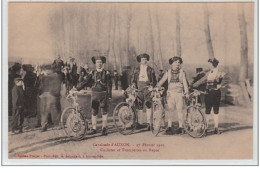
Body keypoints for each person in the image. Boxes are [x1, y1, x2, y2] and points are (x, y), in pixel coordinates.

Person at [75, 56, 112, 135]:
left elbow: (109, 85)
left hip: (104, 94)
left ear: (103, 64)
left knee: (104, 112)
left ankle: (104, 128)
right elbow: (85, 82)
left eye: (100, 62)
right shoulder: (92, 73)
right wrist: (77, 88)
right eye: (97, 62)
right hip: (94, 94)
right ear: (95, 64)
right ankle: (94, 128)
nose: (99, 64)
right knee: (94, 111)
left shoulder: (107, 73)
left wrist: (109, 96)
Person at [193, 58, 226, 134]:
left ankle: (216, 128)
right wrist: (192, 86)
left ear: (213, 64)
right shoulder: (208, 73)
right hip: (208, 93)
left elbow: (228, 79)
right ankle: (206, 128)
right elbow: (201, 80)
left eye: (210, 63)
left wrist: (220, 85)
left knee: (216, 110)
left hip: (216, 93)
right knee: (207, 110)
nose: (209, 65)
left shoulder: (220, 73)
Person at [157, 56, 189, 134]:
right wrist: (157, 87)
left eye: (179, 62)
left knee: (179, 110)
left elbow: (184, 83)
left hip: (179, 94)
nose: (177, 64)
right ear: (171, 63)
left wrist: (187, 92)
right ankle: (169, 126)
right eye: (175, 62)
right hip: (170, 94)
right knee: (170, 110)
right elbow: (162, 81)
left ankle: (181, 127)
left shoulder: (182, 72)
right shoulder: (168, 72)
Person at [131, 53, 157, 130]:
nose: (144, 61)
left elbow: (154, 80)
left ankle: (149, 123)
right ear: (140, 61)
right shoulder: (136, 69)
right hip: (139, 88)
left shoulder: (150, 69)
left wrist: (152, 86)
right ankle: (140, 123)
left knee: (148, 104)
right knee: (139, 105)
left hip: (147, 88)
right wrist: (133, 85)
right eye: (143, 60)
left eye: (145, 59)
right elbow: (133, 79)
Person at [39, 64, 62, 132]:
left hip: (52, 94)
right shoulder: (53, 75)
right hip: (48, 94)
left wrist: (43, 74)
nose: (45, 71)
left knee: (50, 110)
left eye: (47, 70)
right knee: (50, 110)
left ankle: (46, 125)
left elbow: (42, 78)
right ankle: (47, 125)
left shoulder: (54, 75)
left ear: (51, 70)